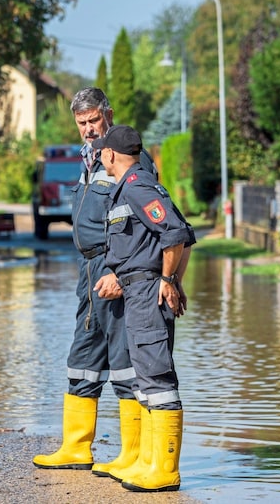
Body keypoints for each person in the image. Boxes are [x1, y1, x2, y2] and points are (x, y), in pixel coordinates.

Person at [33, 88, 151, 475]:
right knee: (83, 357)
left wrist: (119, 271)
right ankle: (76, 448)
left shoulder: (132, 160)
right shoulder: (87, 160)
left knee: (124, 362)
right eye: (81, 123)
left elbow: (142, 223)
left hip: (114, 268)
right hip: (87, 272)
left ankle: (132, 454)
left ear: (109, 114)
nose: (87, 129)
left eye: (93, 121)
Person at [93, 124, 194, 492]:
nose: (100, 156)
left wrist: (168, 281)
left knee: (157, 378)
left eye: (102, 151)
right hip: (137, 294)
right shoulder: (132, 186)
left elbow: (177, 234)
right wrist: (172, 280)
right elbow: (184, 234)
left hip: (148, 292)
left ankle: (165, 469)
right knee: (146, 380)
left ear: (111, 155)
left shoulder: (137, 186)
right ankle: (152, 463)